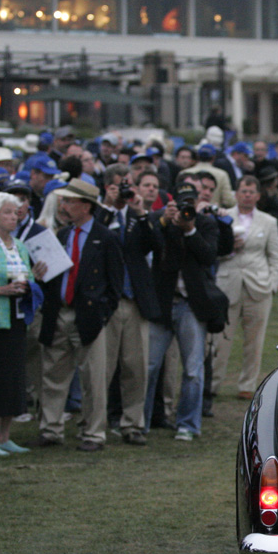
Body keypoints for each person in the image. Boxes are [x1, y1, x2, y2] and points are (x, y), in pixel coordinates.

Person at [32, 179, 123, 452]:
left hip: (89, 317)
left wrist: (102, 314)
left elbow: (115, 284)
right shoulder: (61, 235)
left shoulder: (105, 238)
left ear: (86, 206)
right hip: (59, 313)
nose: (64, 205)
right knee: (52, 375)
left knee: (93, 378)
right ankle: (50, 429)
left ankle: (94, 433)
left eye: (70, 201)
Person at [144, 184, 220, 442]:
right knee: (149, 366)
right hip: (163, 304)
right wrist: (167, 223)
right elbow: (152, 248)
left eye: (191, 203)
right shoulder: (161, 222)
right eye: (181, 204)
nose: (186, 210)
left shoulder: (205, 224)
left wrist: (190, 231)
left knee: (193, 369)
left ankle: (188, 424)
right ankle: (139, 421)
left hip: (191, 304)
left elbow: (209, 256)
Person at [0, 193, 46, 456]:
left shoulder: (20, 246)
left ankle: (4, 436)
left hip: (17, 318)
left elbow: (27, 277)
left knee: (13, 379)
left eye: (15, 213)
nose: (13, 217)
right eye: (7, 212)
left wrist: (32, 283)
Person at [101, 163, 160, 445]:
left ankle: (133, 423)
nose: (126, 189)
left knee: (136, 367)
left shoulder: (137, 216)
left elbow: (155, 243)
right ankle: (96, 424)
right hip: (108, 302)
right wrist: (108, 206)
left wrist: (140, 211)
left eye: (128, 184)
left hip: (135, 300)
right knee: (103, 368)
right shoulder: (102, 214)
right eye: (119, 185)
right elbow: (95, 238)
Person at [214, 176, 278, 399]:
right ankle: (213, 383)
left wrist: (272, 284)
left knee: (254, 340)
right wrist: (229, 248)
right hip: (227, 282)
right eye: (243, 191)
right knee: (221, 338)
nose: (247, 195)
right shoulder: (223, 217)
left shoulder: (268, 221)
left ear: (258, 196)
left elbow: (275, 256)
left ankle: (247, 385)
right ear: (236, 193)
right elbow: (212, 251)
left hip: (258, 285)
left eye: (251, 192)